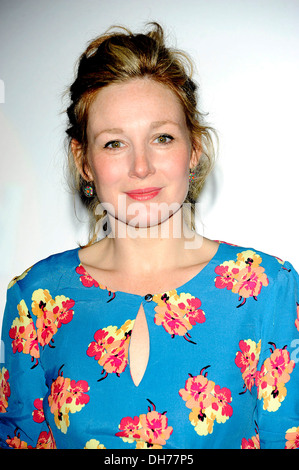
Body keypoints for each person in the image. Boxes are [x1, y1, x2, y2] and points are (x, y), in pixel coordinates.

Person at [0, 22, 298, 450]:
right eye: (114, 144)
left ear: (193, 149)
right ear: (83, 161)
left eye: (162, 138)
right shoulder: (35, 300)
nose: (141, 167)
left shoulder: (268, 290)